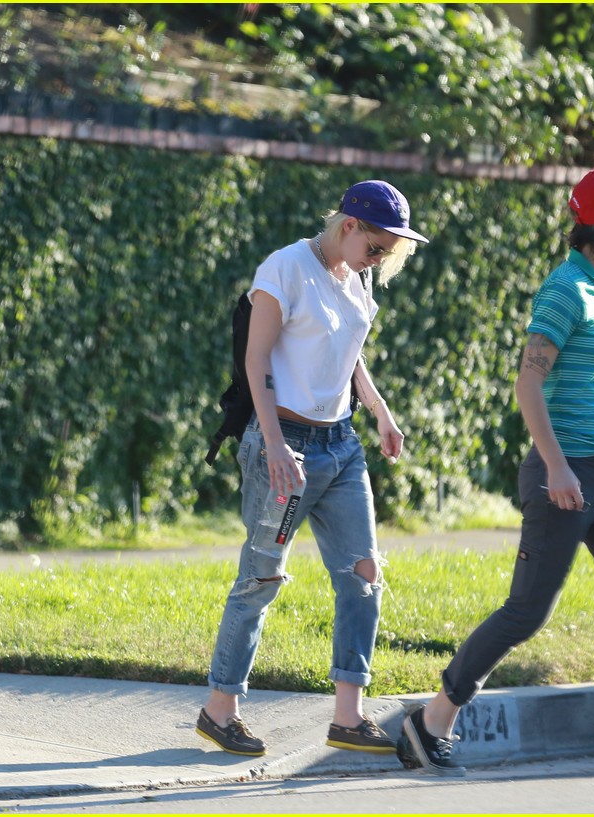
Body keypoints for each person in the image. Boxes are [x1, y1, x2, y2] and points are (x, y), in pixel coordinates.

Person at [396, 167, 594, 777]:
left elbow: (593, 388)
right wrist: (557, 469)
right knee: (528, 610)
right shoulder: (564, 291)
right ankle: (431, 720)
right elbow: (529, 384)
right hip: (562, 474)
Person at [198, 180, 428, 757]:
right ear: (348, 225)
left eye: (389, 254)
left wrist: (380, 412)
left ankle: (347, 717)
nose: (381, 261)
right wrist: (274, 443)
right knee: (261, 578)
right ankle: (219, 709)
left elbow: (351, 353)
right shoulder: (285, 269)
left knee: (365, 573)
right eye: (378, 247)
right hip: (287, 442)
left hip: (342, 445)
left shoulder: (356, 276)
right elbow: (257, 359)